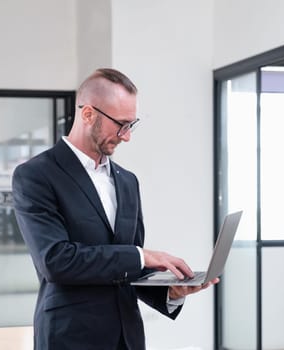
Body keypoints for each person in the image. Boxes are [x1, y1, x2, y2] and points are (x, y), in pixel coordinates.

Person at [12, 68, 218, 350]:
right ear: (88, 114)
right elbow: (56, 261)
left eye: (131, 125)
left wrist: (170, 291)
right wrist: (141, 256)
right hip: (69, 338)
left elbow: (128, 268)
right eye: (121, 124)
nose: (126, 136)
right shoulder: (36, 176)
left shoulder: (127, 181)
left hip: (128, 339)